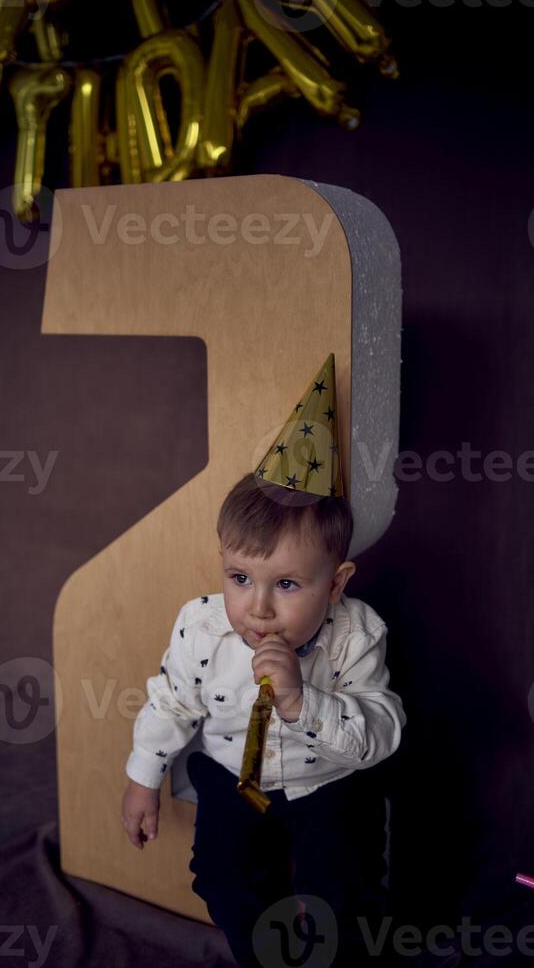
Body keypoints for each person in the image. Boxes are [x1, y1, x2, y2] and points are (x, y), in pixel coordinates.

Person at [121, 355, 407, 967]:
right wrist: (144, 776)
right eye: (240, 576)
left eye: (286, 585)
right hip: (233, 773)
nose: (257, 608)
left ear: (335, 584)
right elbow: (170, 699)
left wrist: (305, 701)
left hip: (329, 780)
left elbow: (383, 732)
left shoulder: (356, 633)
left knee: (347, 890)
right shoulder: (201, 628)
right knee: (225, 878)